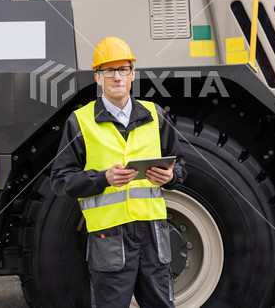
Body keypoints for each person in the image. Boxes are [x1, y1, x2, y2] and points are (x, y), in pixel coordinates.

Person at [51, 36, 187, 308]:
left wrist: (171, 177)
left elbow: (181, 165)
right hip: (109, 237)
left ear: (132, 74)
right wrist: (103, 178)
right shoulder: (80, 122)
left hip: (152, 234)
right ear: (98, 77)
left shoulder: (155, 115)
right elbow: (60, 182)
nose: (116, 77)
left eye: (122, 69)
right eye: (108, 71)